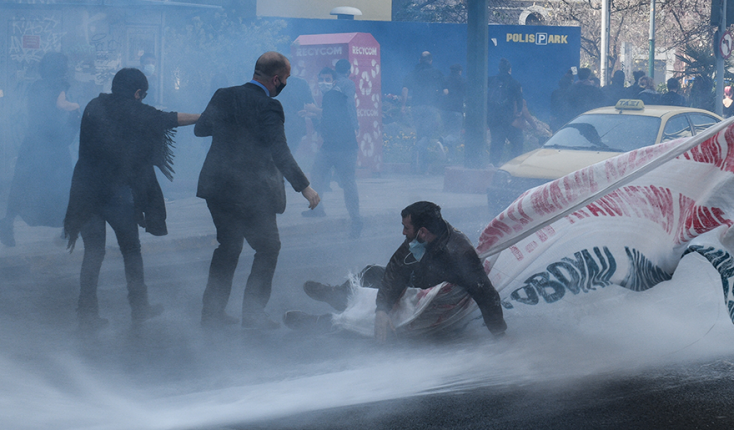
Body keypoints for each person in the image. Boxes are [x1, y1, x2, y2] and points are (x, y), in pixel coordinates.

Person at [63, 68, 200, 330]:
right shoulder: (132, 110)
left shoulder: (93, 105)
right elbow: (167, 119)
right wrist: (204, 117)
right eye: (142, 95)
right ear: (137, 93)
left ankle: (87, 314)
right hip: (115, 194)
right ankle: (140, 307)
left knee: (93, 253)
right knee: (131, 250)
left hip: (85, 192)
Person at [195, 51, 320, 329]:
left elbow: (201, 129)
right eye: (285, 79)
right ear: (276, 79)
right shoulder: (269, 107)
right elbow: (280, 152)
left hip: (217, 187)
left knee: (228, 247)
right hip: (251, 192)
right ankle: (253, 314)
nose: (285, 84)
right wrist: (305, 188)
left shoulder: (224, 95)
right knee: (268, 248)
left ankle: (211, 313)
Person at [284, 201, 507, 341]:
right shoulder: (423, 238)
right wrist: (383, 307)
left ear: (422, 231)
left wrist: (500, 335)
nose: (402, 232)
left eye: (406, 228)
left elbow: (486, 293)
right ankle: (338, 295)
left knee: (367, 313)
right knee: (372, 272)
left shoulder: (459, 253)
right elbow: (396, 269)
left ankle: (323, 323)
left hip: (426, 302)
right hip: (415, 281)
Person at [0, 52, 80, 247]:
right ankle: (67, 229)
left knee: (21, 184)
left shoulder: (37, 85)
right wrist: (76, 107)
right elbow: (62, 105)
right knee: (64, 185)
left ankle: (7, 224)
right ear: (61, 68)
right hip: (53, 143)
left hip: (33, 141)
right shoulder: (59, 85)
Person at [301, 67, 363, 239]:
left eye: (327, 79)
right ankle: (323, 210)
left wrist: (314, 111)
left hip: (342, 147)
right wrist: (313, 113)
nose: (323, 83)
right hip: (334, 146)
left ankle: (354, 218)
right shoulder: (334, 96)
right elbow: (331, 117)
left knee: (344, 181)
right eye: (321, 79)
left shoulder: (332, 95)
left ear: (334, 81)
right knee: (322, 175)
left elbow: (331, 115)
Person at [402, 51, 447, 173]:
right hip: (431, 107)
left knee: (420, 134)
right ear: (431, 61)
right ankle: (419, 155)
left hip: (416, 107)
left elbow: (405, 89)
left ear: (420, 60)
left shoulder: (413, 73)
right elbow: (445, 91)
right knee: (427, 135)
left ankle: (420, 166)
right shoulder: (437, 73)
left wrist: (403, 106)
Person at [487, 58, 524, 167]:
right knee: (517, 140)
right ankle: (512, 163)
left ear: (499, 69)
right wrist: (519, 111)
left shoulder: (491, 80)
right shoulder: (515, 83)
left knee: (496, 139)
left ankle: (493, 162)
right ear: (510, 70)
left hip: (492, 116)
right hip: (506, 117)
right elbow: (519, 99)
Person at [276, 63, 314, 153]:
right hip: (293, 125)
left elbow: (310, 105)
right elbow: (311, 104)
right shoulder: (301, 83)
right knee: (289, 153)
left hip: (283, 125)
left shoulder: (273, 82)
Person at [441, 64, 466, 159]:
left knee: (449, 134)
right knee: (455, 135)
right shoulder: (463, 81)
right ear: (460, 71)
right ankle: (442, 141)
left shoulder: (445, 79)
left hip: (445, 110)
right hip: (457, 110)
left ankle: (450, 157)